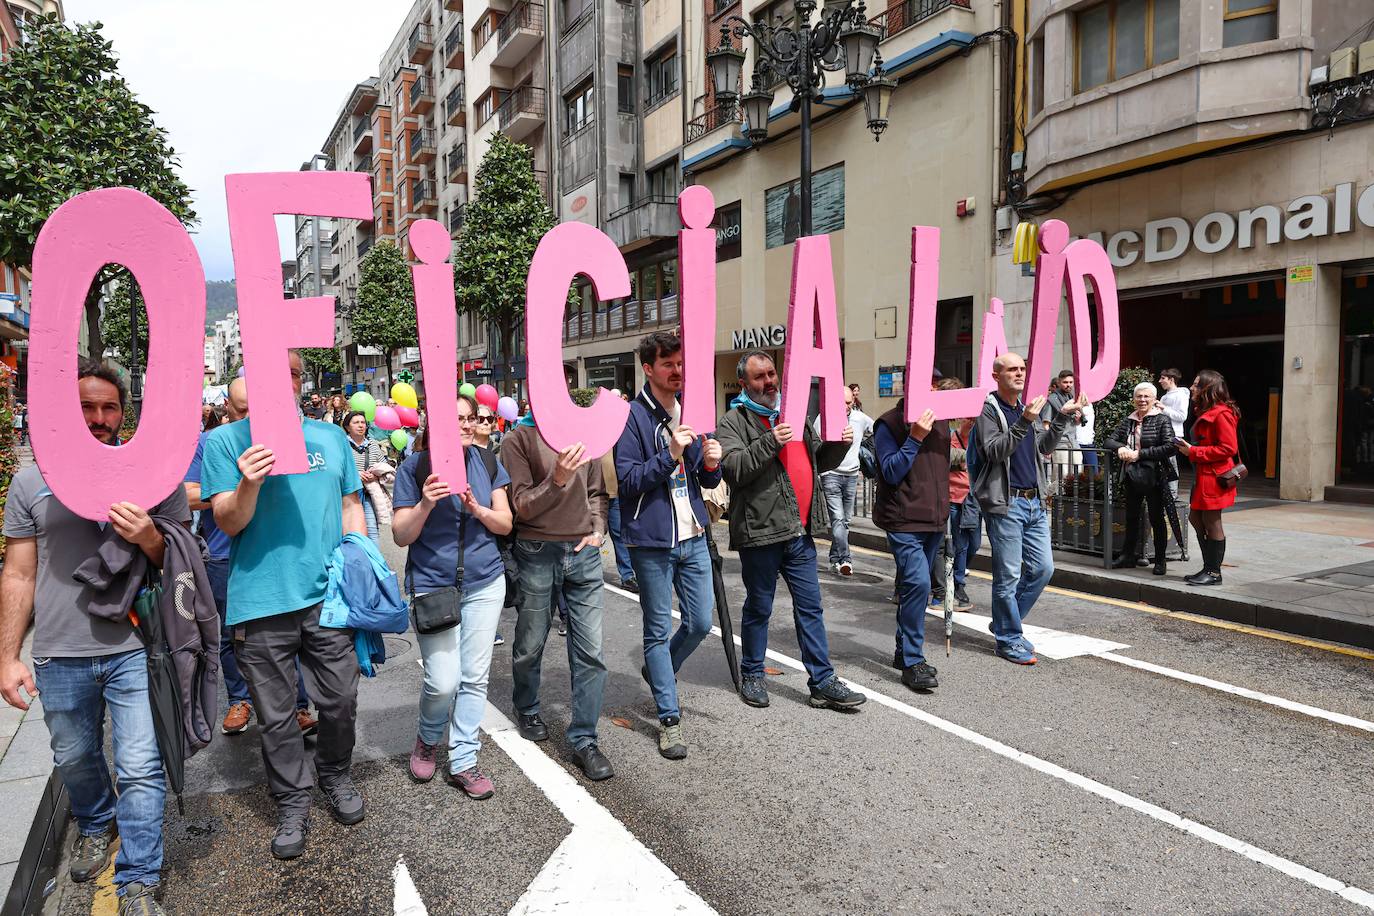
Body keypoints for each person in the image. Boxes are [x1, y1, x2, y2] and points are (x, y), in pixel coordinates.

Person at [0, 361, 190, 915]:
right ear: (65, 411)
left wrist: (151, 536)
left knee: (139, 764)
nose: (100, 418)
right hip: (59, 653)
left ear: (123, 414)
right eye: (87, 407)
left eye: (109, 407)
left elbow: (180, 561)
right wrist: (7, 655)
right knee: (75, 757)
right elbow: (17, 572)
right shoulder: (32, 481)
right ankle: (96, 822)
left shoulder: (155, 474)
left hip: (134, 647)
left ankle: (138, 881)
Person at [201, 350, 367, 860]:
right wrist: (249, 481)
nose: (285, 381)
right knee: (275, 718)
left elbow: (349, 504)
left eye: (293, 372)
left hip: (326, 599)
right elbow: (228, 521)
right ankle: (293, 800)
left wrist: (358, 565)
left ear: (302, 380)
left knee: (339, 701)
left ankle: (334, 773)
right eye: (274, 371)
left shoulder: (330, 436)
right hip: (259, 602)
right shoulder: (225, 441)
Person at [717, 351, 866, 711]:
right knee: (759, 607)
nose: (769, 381)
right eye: (759, 377)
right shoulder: (733, 421)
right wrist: (772, 441)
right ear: (744, 384)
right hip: (762, 533)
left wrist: (839, 445)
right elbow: (734, 469)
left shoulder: (793, 414)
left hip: (799, 533)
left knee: (811, 608)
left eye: (771, 373)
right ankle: (753, 673)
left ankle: (822, 681)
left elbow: (817, 459)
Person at [394, 395, 512, 798]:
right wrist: (426, 502)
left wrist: (479, 510)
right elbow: (401, 534)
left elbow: (505, 523)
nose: (465, 424)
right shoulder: (414, 468)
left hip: (485, 583)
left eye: (471, 418)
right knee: (443, 681)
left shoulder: (488, 462)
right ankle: (428, 739)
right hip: (433, 585)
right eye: (456, 418)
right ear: (436, 423)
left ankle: (464, 759)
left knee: (474, 677)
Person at [614, 332, 722, 760]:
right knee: (656, 630)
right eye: (668, 365)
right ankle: (669, 719)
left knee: (699, 623)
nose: (677, 372)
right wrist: (669, 454)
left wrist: (711, 463)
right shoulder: (632, 417)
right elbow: (627, 482)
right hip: (652, 541)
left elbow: (706, 480)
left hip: (692, 534)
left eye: (681, 364)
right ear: (648, 368)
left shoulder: (691, 411)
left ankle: (661, 671)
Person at [189, 379, 316, 737]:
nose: (247, 417)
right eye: (241, 409)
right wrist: (229, 488)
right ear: (227, 405)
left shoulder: (282, 439)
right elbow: (183, 494)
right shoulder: (210, 443)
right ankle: (239, 700)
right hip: (222, 553)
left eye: (253, 409)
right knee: (230, 635)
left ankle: (299, 705)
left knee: (286, 631)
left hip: (273, 552)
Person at [501, 414, 614, 781]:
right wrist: (557, 479)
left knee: (591, 652)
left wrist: (598, 530)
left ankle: (584, 738)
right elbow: (522, 505)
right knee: (531, 643)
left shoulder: (584, 434)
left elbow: (598, 492)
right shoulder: (519, 438)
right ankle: (527, 705)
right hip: (536, 550)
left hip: (583, 552)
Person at [975, 353, 1085, 665]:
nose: (1020, 374)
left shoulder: (1026, 409)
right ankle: (1008, 639)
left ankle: (1004, 624)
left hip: (1033, 500)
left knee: (1042, 569)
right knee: (1008, 575)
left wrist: (1062, 416)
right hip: (1007, 504)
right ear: (997, 375)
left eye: (1022, 369)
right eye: (1012, 369)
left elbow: (1044, 448)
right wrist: (1024, 421)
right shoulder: (989, 411)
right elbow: (995, 451)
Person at [872, 394, 947, 693]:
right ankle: (913, 661)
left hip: (934, 520)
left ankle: (904, 651)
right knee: (918, 584)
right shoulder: (888, 423)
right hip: (904, 520)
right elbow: (891, 470)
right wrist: (914, 437)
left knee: (912, 588)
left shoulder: (941, 421)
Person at [1175, 369, 1240, 587]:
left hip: (1214, 476)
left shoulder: (1221, 414)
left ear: (1207, 388)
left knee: (1212, 522)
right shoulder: (1207, 411)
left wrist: (1193, 452)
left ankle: (1213, 572)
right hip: (1204, 475)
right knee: (1196, 518)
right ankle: (1208, 567)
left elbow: (1229, 448)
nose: (1191, 387)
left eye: (1195, 384)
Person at [1105, 383, 1176, 576]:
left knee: (1156, 518)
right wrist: (1120, 448)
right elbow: (1109, 440)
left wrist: (1139, 454)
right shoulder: (1129, 420)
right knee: (1131, 517)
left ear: (1154, 399)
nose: (1142, 400)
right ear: (1134, 399)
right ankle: (1128, 556)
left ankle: (1160, 560)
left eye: (1146, 397)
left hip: (1153, 477)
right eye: (1139, 397)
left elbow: (1170, 446)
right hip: (1131, 476)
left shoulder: (1162, 420)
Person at [929, 379, 979, 611]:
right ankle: (951, 587)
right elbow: (945, 458)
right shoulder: (943, 430)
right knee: (947, 546)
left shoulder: (973, 432)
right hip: (948, 497)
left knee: (972, 545)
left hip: (971, 499)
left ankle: (952, 582)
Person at [814, 386, 872, 576]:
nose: (846, 406)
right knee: (838, 519)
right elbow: (814, 444)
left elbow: (878, 429)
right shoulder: (823, 418)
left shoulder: (860, 418)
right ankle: (846, 559)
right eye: (842, 403)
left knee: (845, 521)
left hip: (852, 475)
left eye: (848, 402)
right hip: (830, 474)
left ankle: (834, 558)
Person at [472, 404, 508, 647]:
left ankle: (489, 627)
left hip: (491, 532)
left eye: (489, 418)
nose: (485, 422)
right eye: (479, 418)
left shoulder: (496, 453)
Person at [344, 411, 388, 546]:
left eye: (363, 422)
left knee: (372, 531)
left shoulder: (373, 444)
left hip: (369, 494)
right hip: (348, 496)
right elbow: (337, 468)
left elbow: (385, 467)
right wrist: (356, 474)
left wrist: (375, 474)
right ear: (347, 427)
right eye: (356, 422)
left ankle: (375, 564)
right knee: (349, 531)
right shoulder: (342, 444)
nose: (360, 425)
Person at [602, 449, 637, 592]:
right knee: (589, 535)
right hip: (589, 493)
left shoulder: (614, 429)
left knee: (620, 535)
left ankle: (628, 576)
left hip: (613, 490)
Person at [1041, 370, 1082, 478]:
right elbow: (1046, 424)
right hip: (1058, 442)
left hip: (1073, 441)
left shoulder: (1073, 399)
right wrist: (1048, 445)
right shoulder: (1052, 400)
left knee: (1078, 473)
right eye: (1065, 382)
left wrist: (1078, 419)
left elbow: (1073, 423)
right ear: (1059, 382)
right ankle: (1055, 495)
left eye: (1070, 382)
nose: (1068, 385)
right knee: (1061, 476)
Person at [1157, 368, 1189, 499]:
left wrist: (1163, 408)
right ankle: (1166, 491)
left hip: (1174, 434)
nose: (1160, 381)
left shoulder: (1181, 395)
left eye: (1163, 378)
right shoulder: (1164, 396)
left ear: (1171, 379)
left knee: (1171, 462)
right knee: (1164, 461)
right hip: (1162, 433)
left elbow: (1182, 416)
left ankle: (1173, 493)